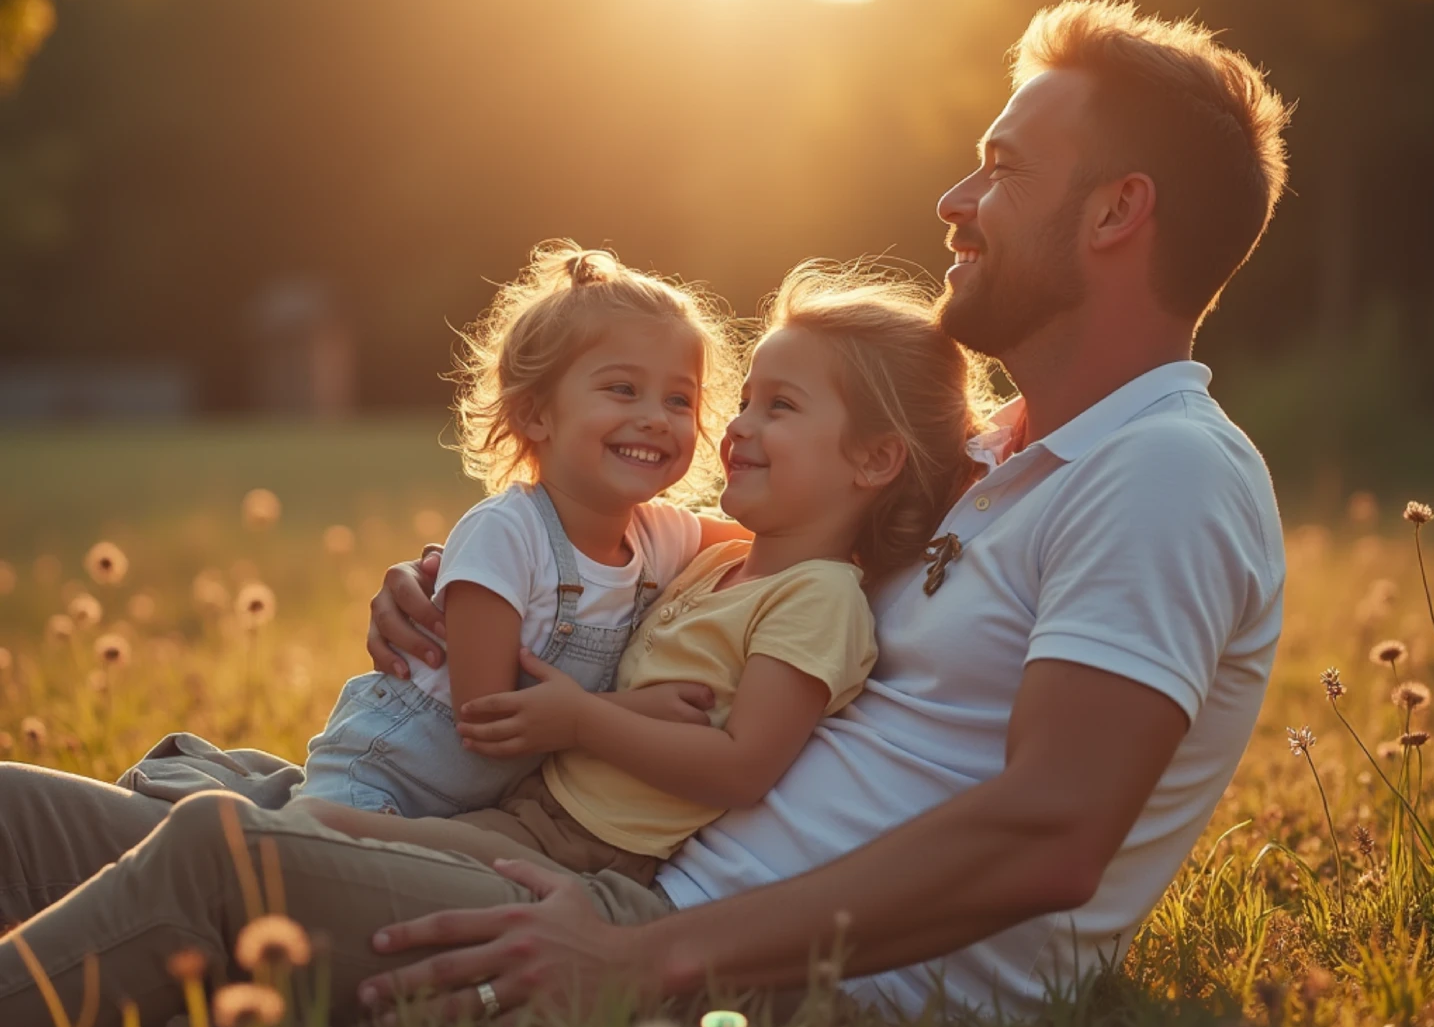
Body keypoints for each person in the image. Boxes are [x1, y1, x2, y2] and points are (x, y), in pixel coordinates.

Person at [0, 0, 1289, 1027]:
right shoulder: (989, 457)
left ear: (1118, 212)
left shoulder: (1163, 473)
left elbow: (1052, 835)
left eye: (1004, 169)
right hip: (589, 847)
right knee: (30, 820)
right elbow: (708, 558)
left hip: (722, 949)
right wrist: (468, 581)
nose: (955, 195)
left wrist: (637, 956)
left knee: (215, 860)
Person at [299, 261, 976, 890]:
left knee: (293, 842)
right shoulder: (707, 556)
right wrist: (449, 571)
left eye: (780, 406)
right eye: (744, 401)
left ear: (876, 457)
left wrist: (588, 721)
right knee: (283, 829)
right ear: (537, 411)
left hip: (567, 838)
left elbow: (743, 762)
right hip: (437, 784)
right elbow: (552, 573)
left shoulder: (793, 587)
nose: (736, 426)